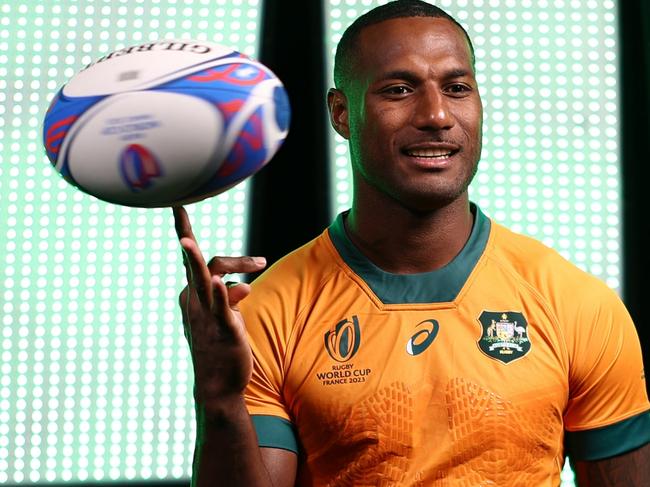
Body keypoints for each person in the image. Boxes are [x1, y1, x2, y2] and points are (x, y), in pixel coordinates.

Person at [173, 1, 650, 485]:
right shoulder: (268, 310)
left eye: (457, 88)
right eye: (399, 90)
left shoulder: (576, 303)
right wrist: (218, 398)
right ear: (341, 113)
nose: (437, 115)